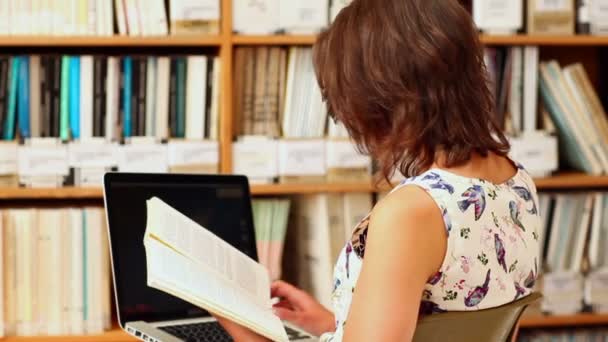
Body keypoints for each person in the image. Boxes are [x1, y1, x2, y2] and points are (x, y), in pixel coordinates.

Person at [217, 0, 541, 340]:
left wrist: (242, 326)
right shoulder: (517, 183)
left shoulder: (412, 212)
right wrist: (335, 323)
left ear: (382, 95)